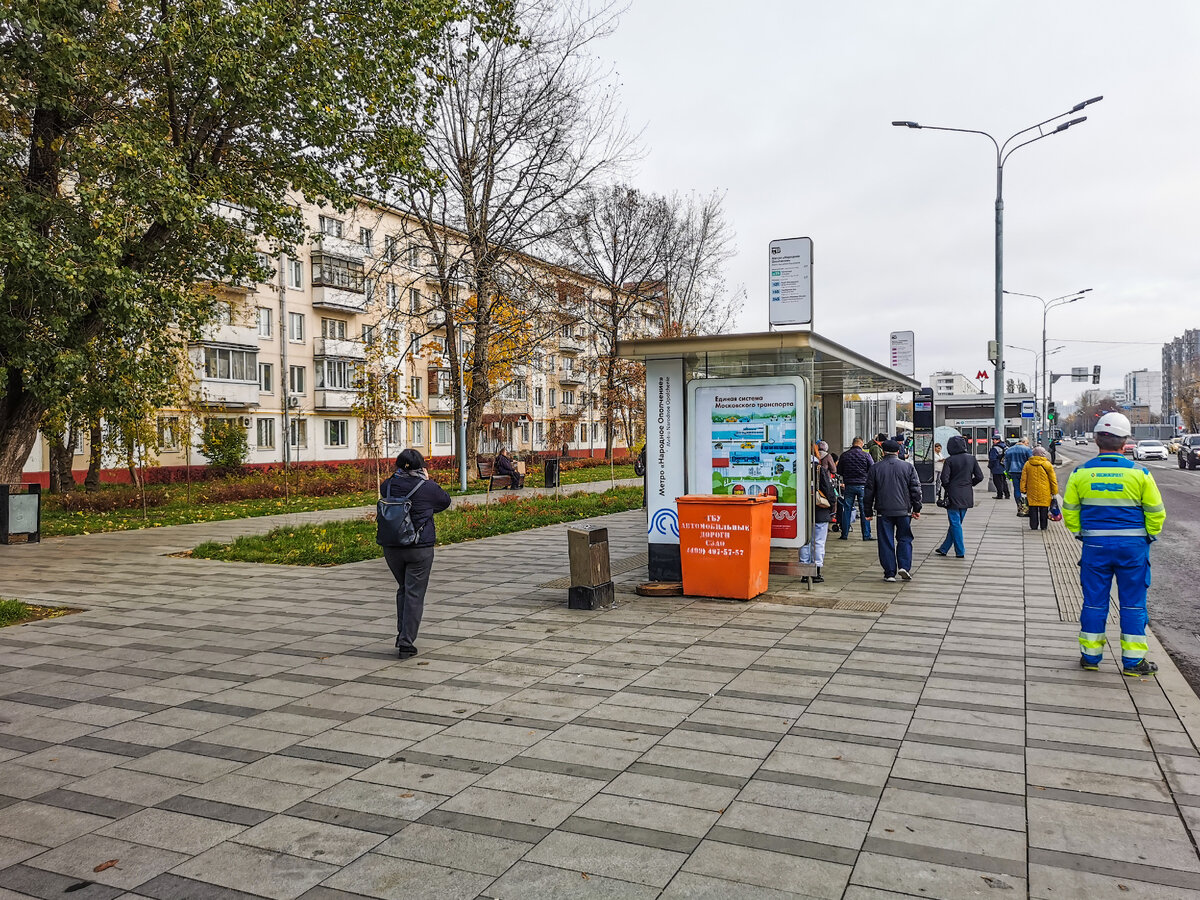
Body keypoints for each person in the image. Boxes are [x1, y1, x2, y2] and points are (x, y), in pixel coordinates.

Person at [1065, 413, 1165, 677]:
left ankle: (1090, 657)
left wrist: (1083, 534)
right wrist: (1148, 536)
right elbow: (1156, 512)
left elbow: (1070, 511)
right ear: (1125, 443)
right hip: (1133, 548)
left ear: (1097, 441)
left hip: (1095, 547)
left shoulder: (1080, 473)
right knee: (1133, 603)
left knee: (1094, 602)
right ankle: (1133, 663)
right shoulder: (1140, 474)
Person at [380, 449, 452, 659]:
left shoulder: (388, 484)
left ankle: (403, 634)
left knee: (404, 588)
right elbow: (445, 501)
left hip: (392, 547)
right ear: (421, 466)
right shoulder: (427, 487)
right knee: (414, 593)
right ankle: (406, 642)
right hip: (419, 548)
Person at [864, 439, 923, 583]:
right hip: (904, 510)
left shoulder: (875, 468)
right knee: (905, 538)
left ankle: (889, 572)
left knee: (885, 541)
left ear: (883, 452)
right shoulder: (908, 467)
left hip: (883, 511)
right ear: (898, 451)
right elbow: (915, 490)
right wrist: (917, 508)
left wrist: (868, 512)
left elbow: (869, 492)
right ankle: (904, 566)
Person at [935, 435, 984, 559]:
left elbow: (944, 479)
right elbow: (979, 476)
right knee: (957, 523)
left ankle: (960, 551)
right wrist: (969, 484)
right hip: (967, 493)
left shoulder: (950, 460)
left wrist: (950, 487)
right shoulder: (971, 458)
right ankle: (944, 548)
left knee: (955, 523)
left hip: (953, 494)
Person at [800, 454, 835, 583]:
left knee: (804, 542)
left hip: (803, 510)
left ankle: (804, 571)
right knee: (819, 542)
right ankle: (816, 571)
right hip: (820, 510)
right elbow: (828, 489)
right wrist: (832, 505)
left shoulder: (797, 468)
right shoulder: (819, 469)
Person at [836, 437, 874, 541]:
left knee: (846, 509)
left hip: (849, 485)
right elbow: (872, 469)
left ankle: (844, 534)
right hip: (863, 486)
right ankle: (866, 535)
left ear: (853, 444)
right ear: (861, 444)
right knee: (864, 510)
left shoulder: (844, 455)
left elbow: (839, 470)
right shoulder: (866, 455)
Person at [1021, 446, 1058, 531]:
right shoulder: (1047, 464)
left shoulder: (1028, 464)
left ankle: (1033, 526)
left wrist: (1023, 489)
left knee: (1033, 509)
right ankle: (1043, 526)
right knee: (1044, 509)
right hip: (1045, 491)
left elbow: (1024, 478)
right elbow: (1053, 479)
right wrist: (1054, 491)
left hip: (1031, 491)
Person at [1005, 437, 1033, 511]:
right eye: (1027, 443)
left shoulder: (1009, 450)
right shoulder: (1027, 450)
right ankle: (1027, 506)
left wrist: (1007, 471)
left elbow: (1006, 462)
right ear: (1023, 442)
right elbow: (1031, 461)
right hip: (1025, 472)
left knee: (1016, 489)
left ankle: (1019, 506)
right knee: (1027, 489)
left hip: (1013, 471)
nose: (1027, 445)